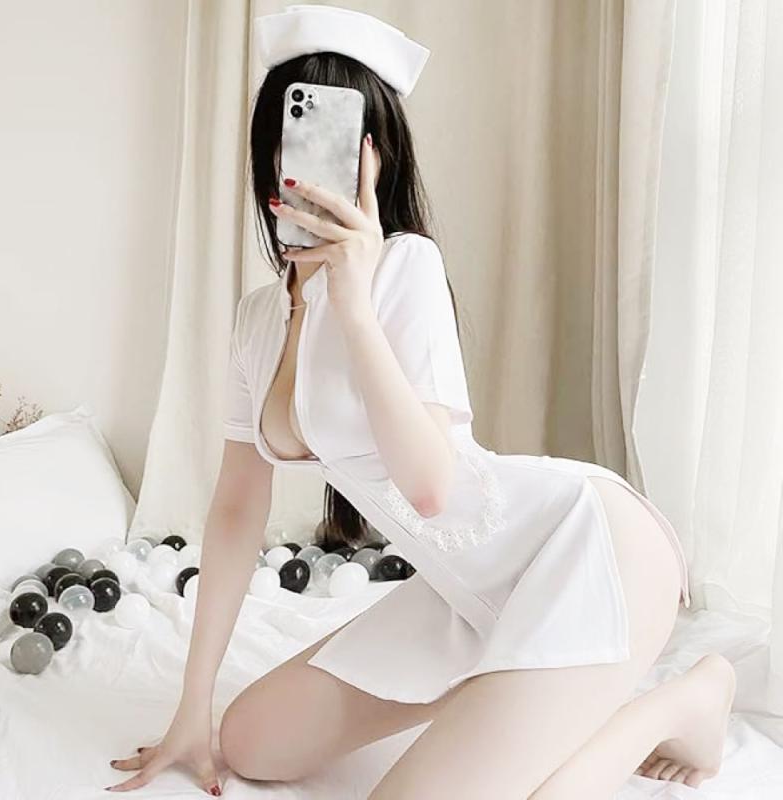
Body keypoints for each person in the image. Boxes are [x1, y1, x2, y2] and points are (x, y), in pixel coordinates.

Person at [107, 5, 735, 798]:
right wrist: (191, 708)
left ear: (374, 160)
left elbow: (432, 487)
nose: (306, 166)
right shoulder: (259, 319)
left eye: (336, 144)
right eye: (290, 137)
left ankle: (683, 700)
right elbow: (236, 509)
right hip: (463, 593)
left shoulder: (406, 268)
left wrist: (355, 303)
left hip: (588, 550)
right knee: (252, 742)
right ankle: (508, 694)